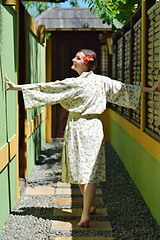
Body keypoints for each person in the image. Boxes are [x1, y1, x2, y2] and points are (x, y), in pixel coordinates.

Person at [4, 49, 160, 227]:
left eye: (77, 58)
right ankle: (89, 205)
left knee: (82, 171)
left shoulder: (74, 84)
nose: (73, 59)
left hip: (78, 127)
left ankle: (85, 214)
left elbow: (49, 88)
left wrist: (19, 88)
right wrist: (150, 90)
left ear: (86, 63)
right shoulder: (102, 81)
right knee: (86, 171)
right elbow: (124, 89)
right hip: (94, 127)